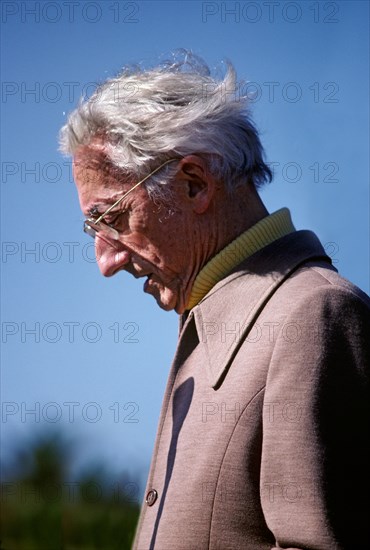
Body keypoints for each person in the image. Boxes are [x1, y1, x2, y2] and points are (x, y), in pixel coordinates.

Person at [60, 51, 369, 550]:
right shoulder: (220, 324)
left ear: (194, 183)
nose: (106, 261)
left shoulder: (313, 314)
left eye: (112, 218)